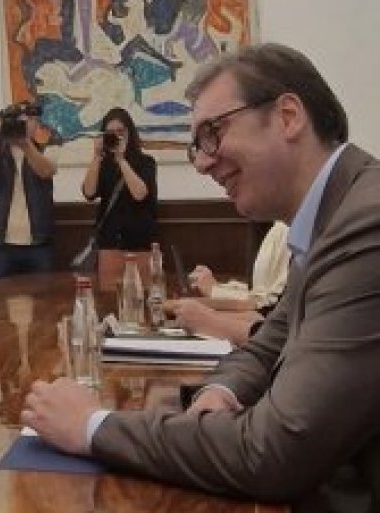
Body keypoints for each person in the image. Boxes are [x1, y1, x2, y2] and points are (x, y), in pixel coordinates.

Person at [22, 43, 380, 510]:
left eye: (213, 133)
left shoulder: (366, 224)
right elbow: (267, 345)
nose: (205, 162)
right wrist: (219, 392)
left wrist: (92, 426)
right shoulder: (332, 216)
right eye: (197, 146)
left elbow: (274, 453)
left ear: (288, 116)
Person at [168, 221, 291, 345]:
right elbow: (263, 301)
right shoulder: (276, 227)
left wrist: (211, 315)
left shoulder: (286, 230)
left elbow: (265, 306)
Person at [0, 103, 57, 278]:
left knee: (42, 293)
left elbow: (45, 171)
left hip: (38, 243)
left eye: (31, 120)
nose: (26, 124)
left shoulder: (47, 147)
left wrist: (26, 145)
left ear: (37, 124)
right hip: (1, 243)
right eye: (21, 120)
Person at [81, 107, 157, 251]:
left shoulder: (146, 162)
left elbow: (140, 194)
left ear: (130, 133)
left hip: (139, 241)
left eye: (120, 132)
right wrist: (96, 157)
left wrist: (121, 159)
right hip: (108, 242)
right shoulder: (103, 165)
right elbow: (89, 193)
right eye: (110, 133)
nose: (116, 137)